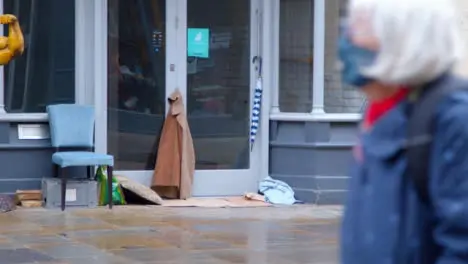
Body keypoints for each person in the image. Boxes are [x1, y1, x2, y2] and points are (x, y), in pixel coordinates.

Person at [339, 0, 468, 263]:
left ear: (402, 40)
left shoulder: (453, 119)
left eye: (358, 29)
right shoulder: (375, 111)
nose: (346, 39)